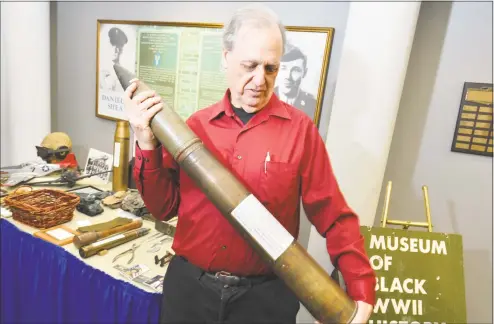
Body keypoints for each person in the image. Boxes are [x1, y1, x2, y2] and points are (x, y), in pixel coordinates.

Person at [123, 4, 375, 324]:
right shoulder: (196, 127)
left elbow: (335, 216)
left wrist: (361, 288)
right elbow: (164, 207)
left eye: (270, 68)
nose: (260, 80)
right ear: (226, 57)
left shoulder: (301, 133)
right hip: (190, 292)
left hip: (265, 301)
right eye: (250, 65)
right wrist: (146, 143)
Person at [275, 43, 317, 120]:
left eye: (296, 70)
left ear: (304, 73)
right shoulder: (262, 99)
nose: (288, 76)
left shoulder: (313, 105)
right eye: (283, 68)